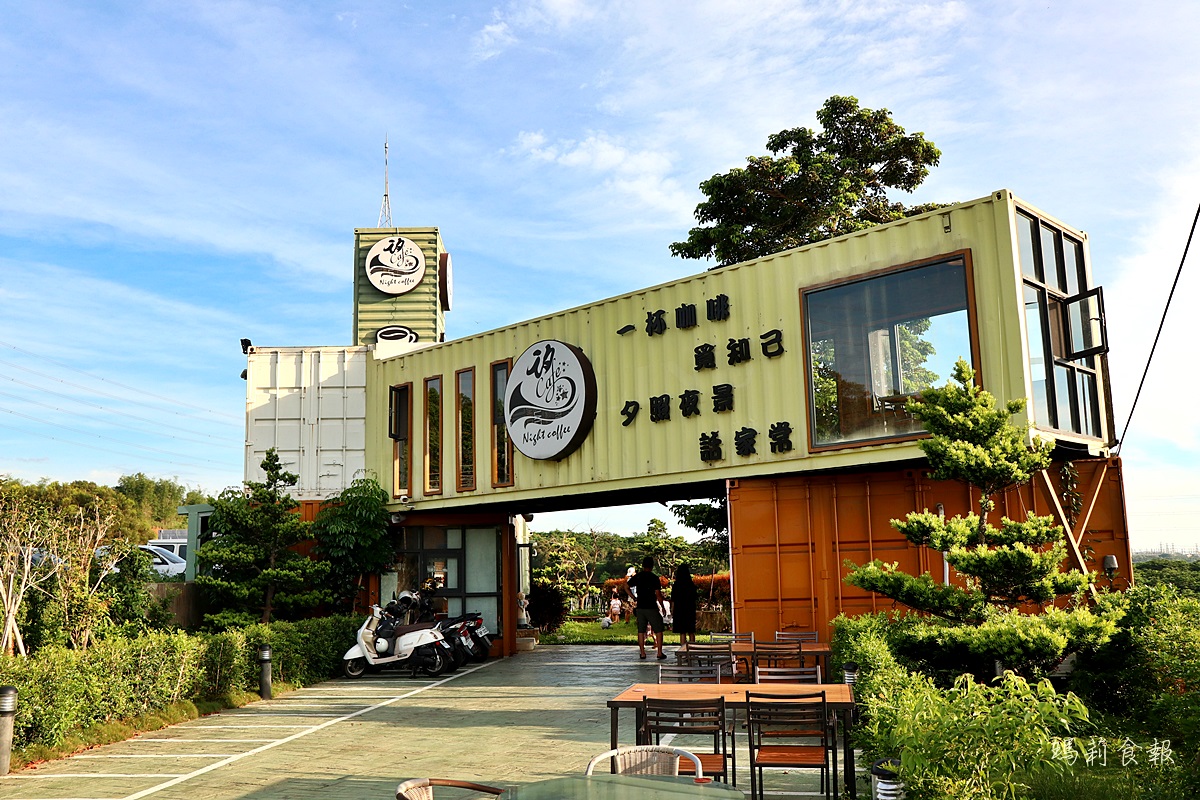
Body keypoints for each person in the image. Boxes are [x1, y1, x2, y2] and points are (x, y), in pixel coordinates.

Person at [627, 555, 668, 660]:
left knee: (641, 630)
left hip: (640, 606)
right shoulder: (654, 578)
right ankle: (659, 652)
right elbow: (658, 594)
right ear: (652, 566)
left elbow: (625, 586)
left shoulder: (638, 576)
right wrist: (662, 606)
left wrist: (634, 598)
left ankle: (642, 653)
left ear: (643, 565)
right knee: (658, 629)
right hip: (651, 606)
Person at [671, 563, 698, 645]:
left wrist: (672, 610)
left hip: (679, 609)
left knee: (682, 632)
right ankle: (693, 651)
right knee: (691, 631)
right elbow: (695, 597)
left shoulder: (676, 585)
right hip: (690, 609)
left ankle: (683, 651)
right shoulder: (691, 584)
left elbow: (673, 599)